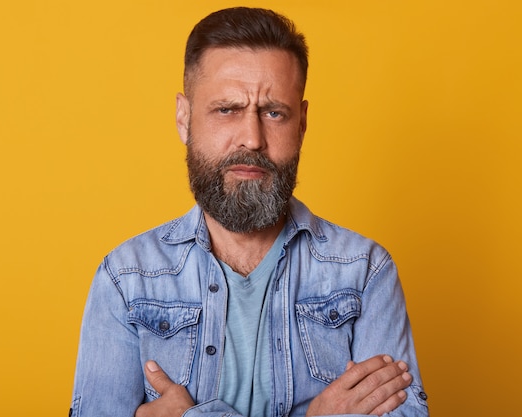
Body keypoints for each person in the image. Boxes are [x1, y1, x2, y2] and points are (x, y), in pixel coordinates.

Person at [70, 7, 428, 417]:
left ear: (303, 123)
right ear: (184, 119)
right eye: (228, 110)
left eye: (274, 112)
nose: (252, 138)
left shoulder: (365, 272)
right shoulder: (126, 279)